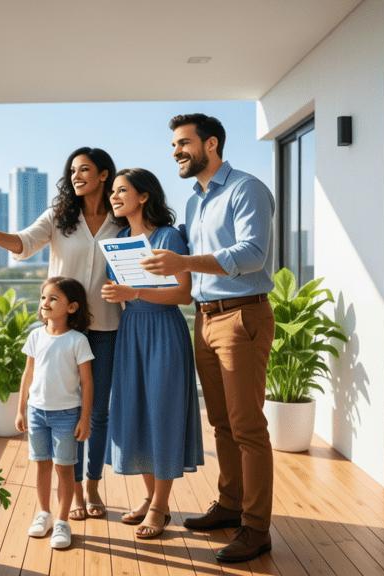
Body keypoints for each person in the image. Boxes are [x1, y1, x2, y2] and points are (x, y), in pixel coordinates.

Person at [0, 147, 120, 520]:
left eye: (85, 169)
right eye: (72, 170)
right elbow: (23, 244)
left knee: (98, 413)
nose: (76, 176)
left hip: (106, 326)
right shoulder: (60, 217)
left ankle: (92, 485)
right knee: (68, 409)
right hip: (63, 331)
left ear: (105, 175)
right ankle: (73, 491)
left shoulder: (120, 220)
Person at [140, 113, 276, 563]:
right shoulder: (195, 201)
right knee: (220, 422)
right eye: (174, 145)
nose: (176, 151)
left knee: (248, 427)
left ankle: (256, 529)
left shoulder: (245, 189)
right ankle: (232, 504)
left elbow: (253, 255)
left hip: (242, 317)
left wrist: (185, 265)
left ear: (211, 144)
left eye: (183, 143)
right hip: (204, 317)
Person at [100, 168, 204, 539]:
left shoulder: (168, 237)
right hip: (131, 333)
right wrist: (116, 294)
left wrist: (135, 294)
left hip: (163, 331)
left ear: (144, 196)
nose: (114, 196)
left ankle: (161, 505)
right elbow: (125, 290)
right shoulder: (120, 239)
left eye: (122, 190)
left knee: (162, 413)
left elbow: (183, 294)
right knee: (137, 414)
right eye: (112, 191)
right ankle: (150, 497)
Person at [15, 276, 95, 550]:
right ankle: (44, 514)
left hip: (66, 416)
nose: (45, 303)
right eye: (43, 297)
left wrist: (85, 418)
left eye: (53, 298)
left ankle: (62, 522)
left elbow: (87, 383)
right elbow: (28, 374)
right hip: (37, 413)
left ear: (71, 308)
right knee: (41, 465)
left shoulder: (78, 341)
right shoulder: (35, 336)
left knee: (64, 469)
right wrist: (21, 409)